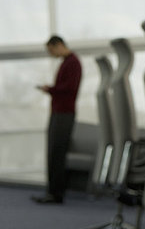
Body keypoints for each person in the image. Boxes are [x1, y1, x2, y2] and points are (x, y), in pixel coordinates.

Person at [32, 35, 82, 204]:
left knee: (57, 153)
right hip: (58, 112)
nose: (51, 54)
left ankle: (56, 194)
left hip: (64, 113)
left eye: (51, 50)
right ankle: (52, 192)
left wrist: (51, 89)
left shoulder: (73, 62)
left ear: (59, 45)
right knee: (53, 152)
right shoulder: (66, 62)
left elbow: (70, 87)